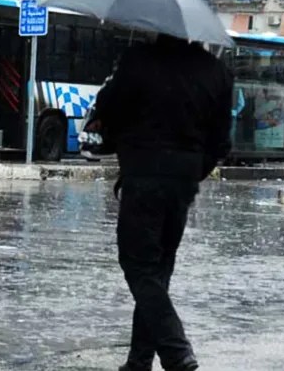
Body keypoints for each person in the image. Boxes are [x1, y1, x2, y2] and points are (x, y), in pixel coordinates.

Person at [93, 34, 233, 371]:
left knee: (138, 266)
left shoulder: (137, 60)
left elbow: (107, 109)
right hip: (183, 181)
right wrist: (194, 170)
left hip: (143, 175)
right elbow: (221, 141)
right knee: (158, 270)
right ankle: (139, 360)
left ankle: (176, 351)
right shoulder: (215, 71)